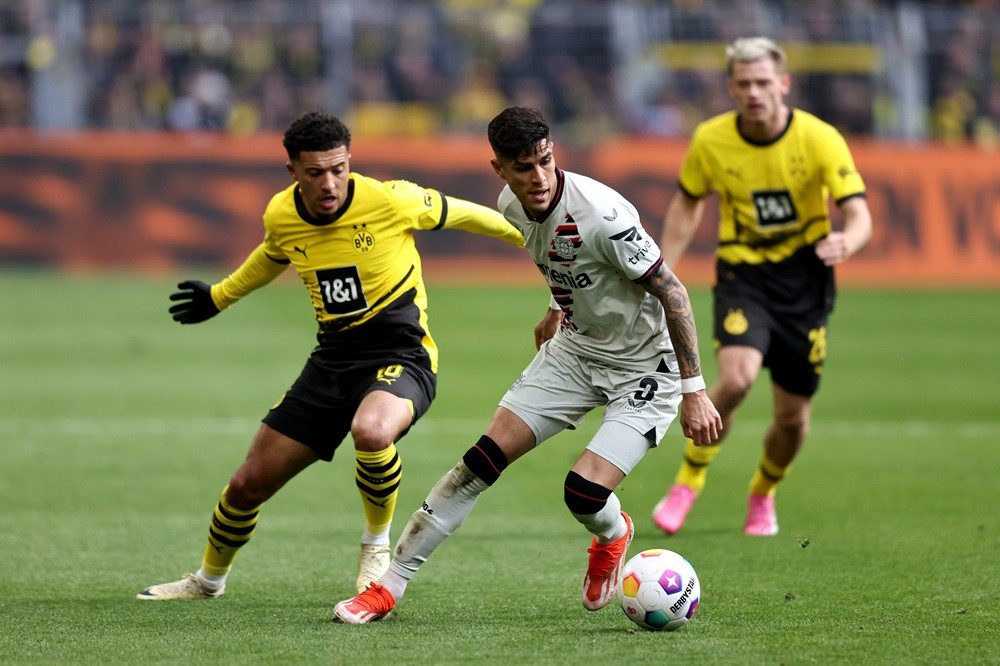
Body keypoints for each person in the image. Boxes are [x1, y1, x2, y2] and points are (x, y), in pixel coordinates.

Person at [331, 106, 722, 624]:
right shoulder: (510, 206)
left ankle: (613, 533)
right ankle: (388, 587)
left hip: (647, 368)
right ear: (500, 170)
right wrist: (557, 307)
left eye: (545, 161)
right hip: (576, 352)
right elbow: (562, 259)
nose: (538, 178)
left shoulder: (604, 214)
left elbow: (673, 291)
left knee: (582, 493)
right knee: (479, 463)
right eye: (523, 167)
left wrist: (694, 389)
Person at [136, 110, 525, 600]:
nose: (329, 182)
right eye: (316, 172)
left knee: (372, 430)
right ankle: (207, 580)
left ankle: (376, 547)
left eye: (338, 169)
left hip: (402, 356)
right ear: (293, 171)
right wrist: (219, 297)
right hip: (332, 363)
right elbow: (272, 253)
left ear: (349, 163)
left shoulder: (390, 199)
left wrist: (537, 240)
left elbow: (469, 214)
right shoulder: (281, 213)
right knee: (246, 484)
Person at [651, 37, 873, 538]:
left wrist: (848, 241)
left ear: (784, 84)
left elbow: (859, 213)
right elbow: (689, 202)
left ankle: (763, 493)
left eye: (763, 83)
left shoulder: (819, 139)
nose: (754, 93)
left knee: (792, 419)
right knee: (737, 379)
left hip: (805, 280)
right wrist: (665, 266)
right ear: (731, 87)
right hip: (743, 275)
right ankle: (690, 478)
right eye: (744, 83)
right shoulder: (710, 139)